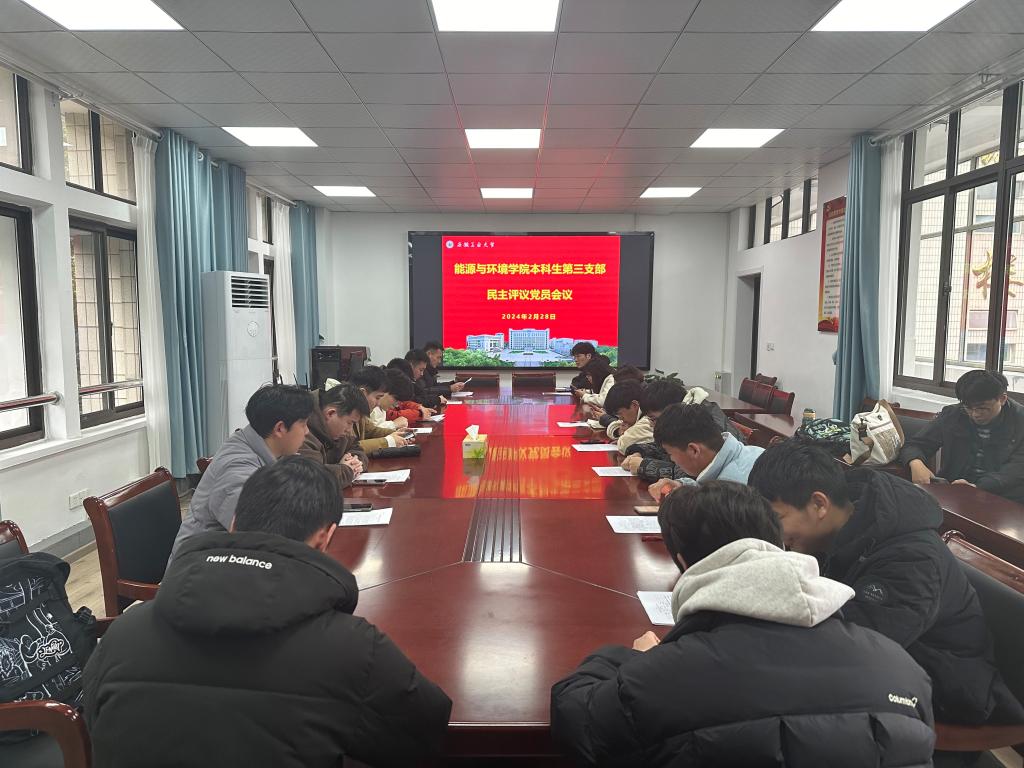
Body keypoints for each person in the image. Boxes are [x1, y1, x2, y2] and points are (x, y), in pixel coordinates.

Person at [84, 457, 453, 768]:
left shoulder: (123, 633)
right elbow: (427, 729)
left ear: (234, 523)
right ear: (325, 537)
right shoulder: (354, 649)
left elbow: (95, 723)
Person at [550, 481, 936, 767]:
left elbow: (577, 719)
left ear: (683, 562)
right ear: (777, 541)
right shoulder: (903, 669)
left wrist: (630, 662)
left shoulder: (669, 676)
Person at [748, 441, 1024, 732]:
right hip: (894, 658)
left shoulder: (910, 558)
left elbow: (858, 647)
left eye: (777, 519)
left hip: (947, 684)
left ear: (819, 504)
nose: (774, 533)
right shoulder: (837, 527)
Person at [169, 384, 312, 562]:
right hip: (199, 569)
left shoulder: (260, 448)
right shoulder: (236, 468)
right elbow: (260, 533)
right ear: (280, 428)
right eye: (303, 424)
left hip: (231, 559)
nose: (307, 432)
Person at [900, 370, 1024, 504]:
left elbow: (1016, 470)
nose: (975, 414)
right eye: (969, 408)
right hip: (953, 489)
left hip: (1004, 497)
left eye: (982, 408)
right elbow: (915, 445)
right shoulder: (953, 415)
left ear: (1002, 399)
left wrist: (976, 487)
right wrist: (916, 462)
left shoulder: (1020, 420)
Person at [622, 382, 739, 481]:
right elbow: (668, 449)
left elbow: (692, 474)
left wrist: (644, 466)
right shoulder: (687, 413)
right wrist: (641, 452)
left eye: (654, 419)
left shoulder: (699, 420)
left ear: (670, 410)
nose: (651, 424)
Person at [646, 403, 764, 501]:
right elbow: (708, 486)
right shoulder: (751, 452)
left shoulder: (729, 493)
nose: (672, 459)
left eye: (670, 454)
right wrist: (682, 485)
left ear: (694, 450)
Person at [298, 383, 369, 489]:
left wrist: (355, 462)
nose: (349, 430)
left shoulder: (339, 432)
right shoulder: (301, 433)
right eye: (350, 423)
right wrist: (347, 470)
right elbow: (313, 479)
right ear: (330, 413)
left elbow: (357, 449)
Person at [349, 366, 410, 455]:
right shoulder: (343, 411)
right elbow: (349, 448)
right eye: (377, 398)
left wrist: (398, 434)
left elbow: (372, 431)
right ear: (362, 393)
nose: (378, 404)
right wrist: (388, 441)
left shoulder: (360, 412)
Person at [603, 380, 652, 451]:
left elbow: (625, 444)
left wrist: (624, 436)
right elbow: (613, 426)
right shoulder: (635, 414)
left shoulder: (649, 419)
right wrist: (619, 431)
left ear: (634, 405)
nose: (620, 418)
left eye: (620, 414)